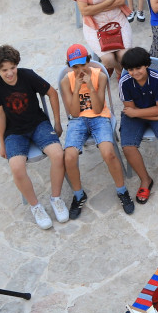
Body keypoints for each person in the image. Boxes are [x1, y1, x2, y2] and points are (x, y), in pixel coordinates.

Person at [0, 44, 68, 229]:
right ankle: (36, 207)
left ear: (17, 65)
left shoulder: (27, 75)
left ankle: (56, 198)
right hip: (14, 132)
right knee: (16, 167)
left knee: (57, 154)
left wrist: (57, 122)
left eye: (12, 68)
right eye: (4, 70)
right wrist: (1, 144)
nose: (10, 73)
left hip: (37, 124)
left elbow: (52, 93)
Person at [60, 44, 135, 217]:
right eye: (75, 67)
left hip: (99, 116)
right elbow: (73, 113)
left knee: (108, 152)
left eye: (83, 65)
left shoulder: (99, 76)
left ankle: (121, 190)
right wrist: (78, 88)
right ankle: (79, 195)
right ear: (70, 66)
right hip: (78, 119)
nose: (80, 70)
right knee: (69, 156)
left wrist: (90, 87)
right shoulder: (66, 81)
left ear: (88, 61)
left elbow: (98, 108)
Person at [117, 46, 158, 202]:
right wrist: (156, 116)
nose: (135, 72)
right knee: (128, 146)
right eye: (130, 69)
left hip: (150, 113)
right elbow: (130, 109)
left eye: (138, 67)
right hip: (142, 114)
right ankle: (145, 179)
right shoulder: (124, 82)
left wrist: (153, 116)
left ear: (146, 65)